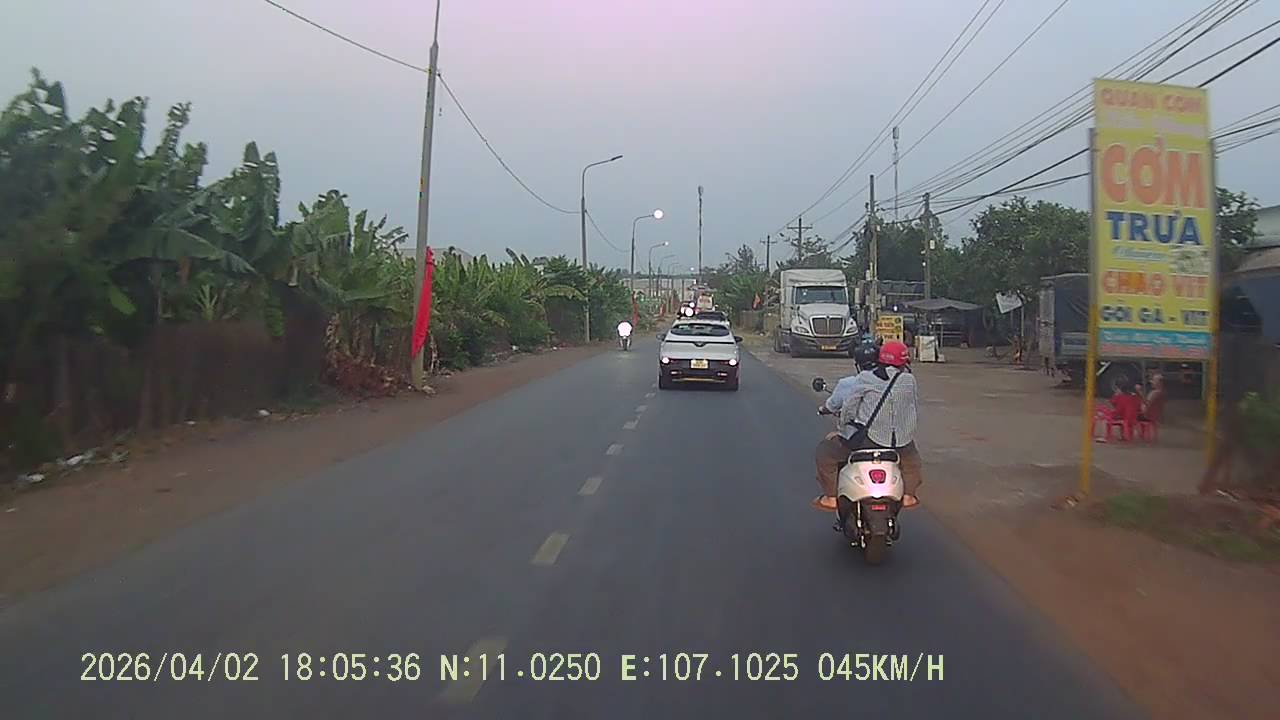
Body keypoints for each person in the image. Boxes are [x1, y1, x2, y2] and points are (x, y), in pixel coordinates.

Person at [812, 340, 922, 512]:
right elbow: (913, 407)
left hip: (869, 441)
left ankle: (831, 498)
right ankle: (908, 496)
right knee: (912, 462)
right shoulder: (910, 380)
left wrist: (843, 429)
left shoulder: (865, 379)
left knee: (825, 453)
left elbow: (849, 408)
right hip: (901, 444)